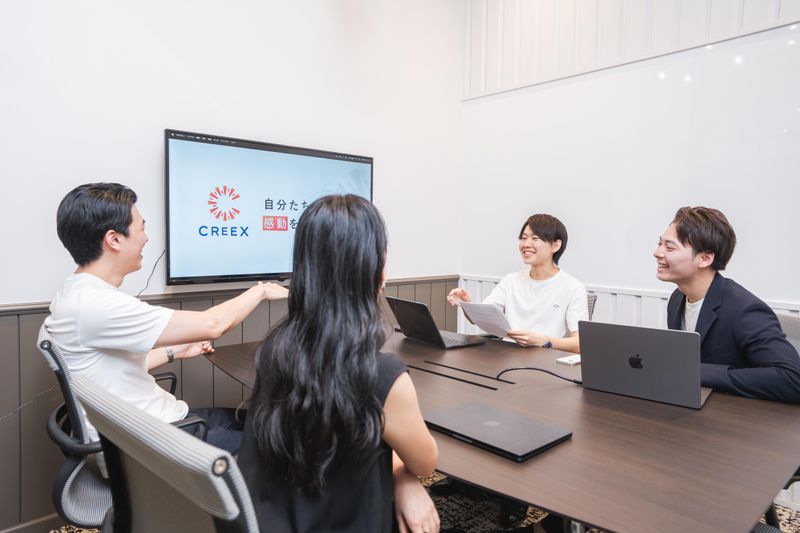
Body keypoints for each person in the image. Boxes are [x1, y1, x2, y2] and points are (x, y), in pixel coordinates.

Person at [237, 194, 440, 533]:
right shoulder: (382, 375)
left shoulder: (276, 350)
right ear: (374, 269)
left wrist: (399, 476)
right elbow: (424, 462)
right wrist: (404, 476)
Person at [43, 182, 289, 454]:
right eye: (141, 228)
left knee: (263, 422)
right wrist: (261, 291)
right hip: (153, 444)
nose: (146, 238)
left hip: (158, 425)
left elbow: (112, 370)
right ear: (114, 239)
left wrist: (174, 351)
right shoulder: (96, 305)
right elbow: (213, 324)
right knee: (280, 444)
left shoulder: (75, 296)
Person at [654, 206, 800, 403]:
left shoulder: (745, 310)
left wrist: (696, 371)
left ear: (705, 258)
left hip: (741, 415)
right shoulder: (677, 298)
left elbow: (792, 378)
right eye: (659, 244)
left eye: (670, 248)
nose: (657, 252)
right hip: (696, 407)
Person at [448, 213, 588, 353]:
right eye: (524, 238)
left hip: (546, 358)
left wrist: (544, 341)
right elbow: (480, 319)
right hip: (507, 355)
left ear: (556, 245)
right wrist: (466, 304)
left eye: (535, 238)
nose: (526, 244)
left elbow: (579, 344)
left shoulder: (573, 287)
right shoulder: (511, 280)